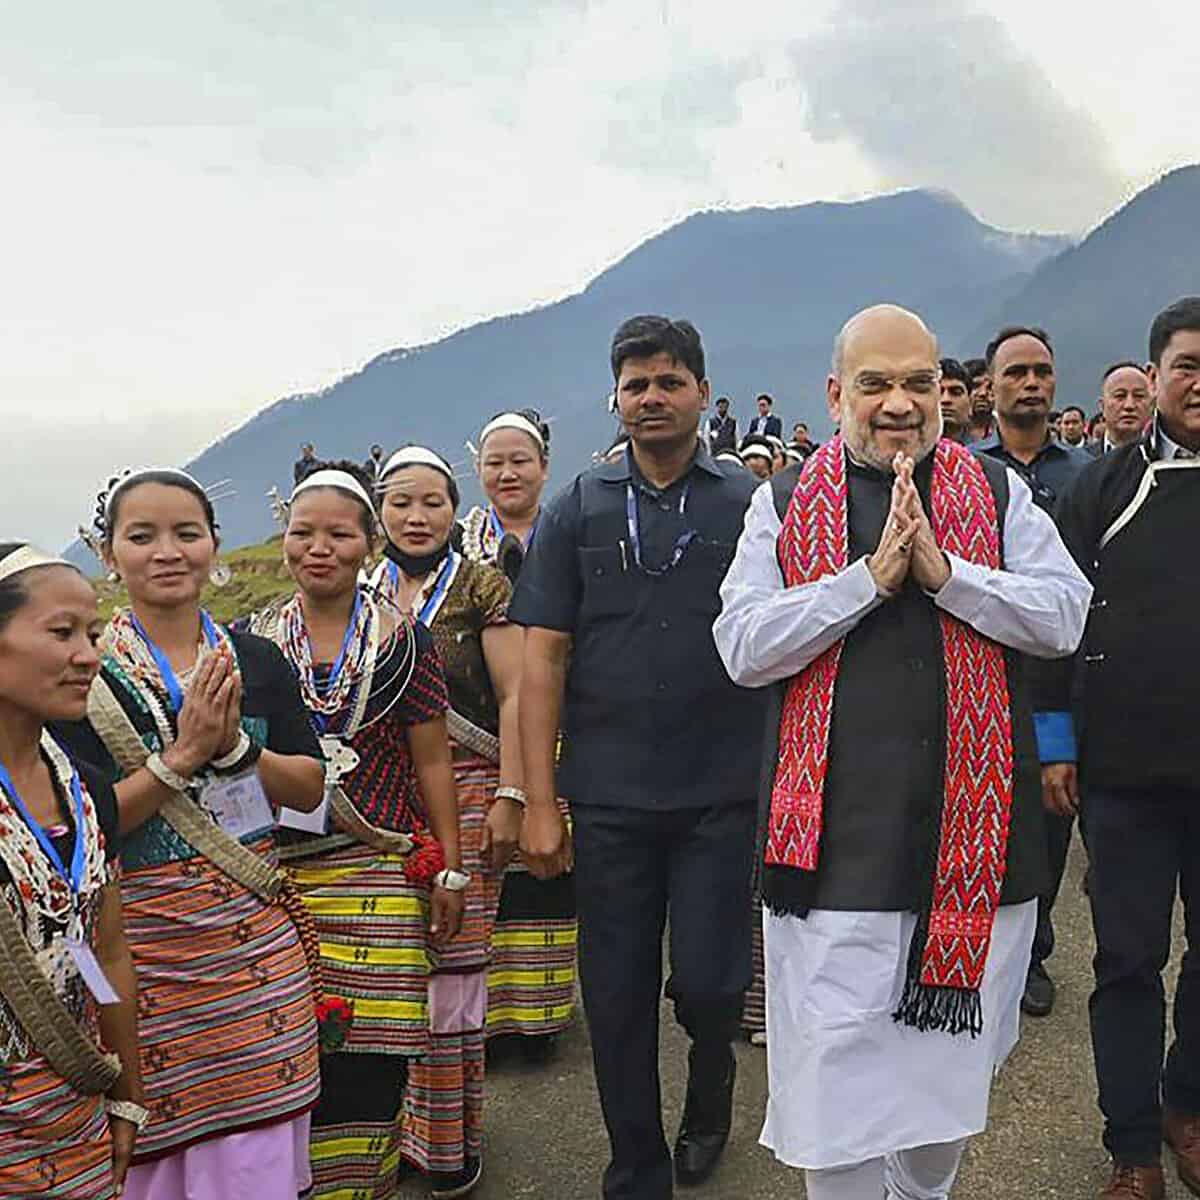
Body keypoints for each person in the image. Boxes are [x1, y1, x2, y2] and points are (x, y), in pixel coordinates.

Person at [714, 304, 1091, 1200]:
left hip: (976, 860)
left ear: (944, 394)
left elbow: (1066, 613)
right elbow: (742, 645)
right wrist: (867, 583)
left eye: (917, 383)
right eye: (875, 384)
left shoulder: (998, 494)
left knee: (940, 1104)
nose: (898, 403)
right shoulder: (779, 503)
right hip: (832, 863)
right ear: (837, 393)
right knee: (835, 1107)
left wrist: (947, 578)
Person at [512, 314, 765, 1200]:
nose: (651, 398)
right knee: (615, 999)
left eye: (668, 381)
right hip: (610, 795)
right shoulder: (576, 505)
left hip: (725, 788)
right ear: (615, 399)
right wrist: (539, 800)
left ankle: (712, 1087)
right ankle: (636, 1166)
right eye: (635, 385)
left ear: (701, 391)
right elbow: (541, 657)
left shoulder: (749, 504)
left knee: (708, 983)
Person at [55, 468, 326, 1200]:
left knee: (260, 1146)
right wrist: (181, 758)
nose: (166, 551)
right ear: (108, 554)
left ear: (214, 545)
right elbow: (86, 826)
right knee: (153, 1152)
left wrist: (238, 750)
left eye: (185, 533)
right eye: (141, 536)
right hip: (138, 948)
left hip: (255, 942)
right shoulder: (82, 676)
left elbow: (310, 789)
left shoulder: (260, 661)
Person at [252, 464, 465, 1200]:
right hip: (277, 878)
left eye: (339, 534)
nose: (319, 548)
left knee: (371, 1061)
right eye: (302, 532)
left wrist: (450, 869)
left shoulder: (406, 640)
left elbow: (432, 761)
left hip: (378, 863)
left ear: (367, 543)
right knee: (288, 1056)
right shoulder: (254, 644)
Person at [1043, 298, 1200, 1200]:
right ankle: (1134, 1148)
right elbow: (1050, 632)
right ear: (1153, 377)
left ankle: (1188, 1103)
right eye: (1186, 364)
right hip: (1125, 778)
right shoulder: (1101, 487)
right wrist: (1054, 741)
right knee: (1129, 960)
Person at [371, 445, 526, 1198]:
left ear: (453, 509)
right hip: (379, 805)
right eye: (401, 502)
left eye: (432, 502)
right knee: (398, 970)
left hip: (467, 790)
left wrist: (517, 795)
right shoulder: (362, 592)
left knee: (455, 968)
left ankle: (449, 1142)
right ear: (380, 511)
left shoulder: (481, 586)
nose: (417, 516)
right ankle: (391, 1135)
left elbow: (518, 697)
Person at [0, 544, 145, 1199]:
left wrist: (124, 1090)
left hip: (70, 1109)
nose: (89, 654)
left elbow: (93, 949)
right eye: (61, 632)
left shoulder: (80, 791)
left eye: (92, 633)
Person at [974, 325, 1092, 1019]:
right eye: (1016, 371)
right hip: (976, 674)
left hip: (1053, 680)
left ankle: (1033, 955)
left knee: (1046, 828)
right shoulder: (963, 471)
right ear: (991, 386)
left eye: (1042, 371)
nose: (1032, 383)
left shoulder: (1083, 477)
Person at [459, 412, 579, 1061]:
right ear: (478, 473)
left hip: (565, 716)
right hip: (481, 725)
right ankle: (487, 1016)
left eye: (520, 461)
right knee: (491, 865)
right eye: (495, 463)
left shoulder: (567, 533)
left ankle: (540, 1015)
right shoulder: (457, 546)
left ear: (543, 467)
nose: (507, 473)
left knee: (548, 871)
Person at [1090, 362, 1155, 457]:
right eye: (1120, 396)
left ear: (1151, 405)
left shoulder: (1163, 459)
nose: (1129, 405)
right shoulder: (1083, 461)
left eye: (1139, 396)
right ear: (1102, 406)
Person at [938, 357, 973, 442]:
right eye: (938, 392)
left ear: (971, 403)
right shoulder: (908, 452)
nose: (945, 400)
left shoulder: (988, 452)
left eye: (956, 392)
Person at [965, 356, 996, 442]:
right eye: (975, 386)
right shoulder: (951, 429)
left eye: (989, 387)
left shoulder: (1006, 430)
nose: (983, 393)